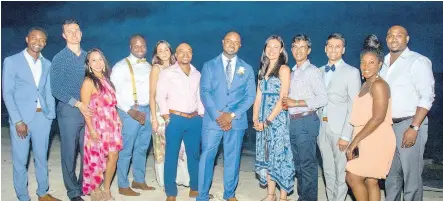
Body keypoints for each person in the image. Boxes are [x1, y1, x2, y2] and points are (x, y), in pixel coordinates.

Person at [3, 27, 61, 201]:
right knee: (21, 161)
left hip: (42, 118)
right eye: (34, 38)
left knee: (41, 158)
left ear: (45, 43)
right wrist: (17, 120)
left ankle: (42, 193)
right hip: (21, 119)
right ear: (27, 39)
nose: (38, 42)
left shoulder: (48, 64)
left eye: (42, 39)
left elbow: (48, 91)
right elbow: (7, 93)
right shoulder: (12, 61)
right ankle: (23, 196)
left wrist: (50, 115)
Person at [198, 31, 256, 201]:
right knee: (207, 157)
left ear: (240, 45)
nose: (232, 44)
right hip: (212, 121)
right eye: (229, 41)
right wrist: (218, 116)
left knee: (233, 158)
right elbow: (205, 92)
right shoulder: (209, 65)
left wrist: (231, 115)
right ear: (223, 42)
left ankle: (229, 194)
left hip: (236, 122)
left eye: (236, 42)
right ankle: (202, 196)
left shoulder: (247, 68)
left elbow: (250, 96)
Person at [381, 25, 435, 201]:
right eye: (390, 35)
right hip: (388, 126)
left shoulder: (417, 61)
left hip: (409, 123)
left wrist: (414, 127)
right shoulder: (383, 63)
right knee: (391, 177)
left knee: (411, 178)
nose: (394, 38)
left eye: (399, 35)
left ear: (407, 39)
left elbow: (427, 97)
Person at [345, 35, 396, 201]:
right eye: (363, 62)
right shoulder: (366, 84)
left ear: (380, 64)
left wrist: (354, 142)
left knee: (352, 176)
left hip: (377, 137)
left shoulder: (379, 85)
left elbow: (378, 118)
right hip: (366, 135)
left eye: (371, 62)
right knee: (370, 181)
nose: (366, 66)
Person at [282, 34, 328, 201]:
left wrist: (296, 102)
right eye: (295, 47)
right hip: (293, 122)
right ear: (291, 50)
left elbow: (323, 98)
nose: (298, 50)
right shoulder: (292, 72)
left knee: (307, 165)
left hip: (306, 120)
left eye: (303, 47)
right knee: (298, 165)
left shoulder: (313, 71)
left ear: (308, 50)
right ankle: (303, 196)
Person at [156, 43, 204, 201]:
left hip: (194, 119)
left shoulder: (197, 73)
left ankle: (195, 187)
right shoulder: (168, 72)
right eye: (181, 52)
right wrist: (165, 116)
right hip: (175, 118)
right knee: (171, 155)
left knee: (194, 155)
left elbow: (199, 96)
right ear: (175, 55)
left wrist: (201, 115)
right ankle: (171, 192)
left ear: (192, 54)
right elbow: (160, 95)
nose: (185, 54)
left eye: (188, 51)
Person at [317, 33, 361, 201]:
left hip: (340, 130)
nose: (333, 49)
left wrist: (346, 135)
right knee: (328, 170)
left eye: (337, 46)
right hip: (322, 129)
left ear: (343, 50)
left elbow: (354, 105)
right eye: (330, 46)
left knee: (341, 171)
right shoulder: (319, 71)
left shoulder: (352, 72)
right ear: (325, 48)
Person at [110, 34, 155, 196]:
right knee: (126, 149)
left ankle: (139, 180)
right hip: (129, 112)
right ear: (130, 47)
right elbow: (114, 93)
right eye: (136, 46)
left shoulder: (149, 66)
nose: (140, 49)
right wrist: (130, 110)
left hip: (147, 110)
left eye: (143, 46)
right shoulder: (120, 66)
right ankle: (122, 184)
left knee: (142, 148)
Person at [253, 35, 295, 201]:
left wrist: (268, 121)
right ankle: (271, 195)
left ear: (281, 50)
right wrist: (256, 119)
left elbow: (282, 99)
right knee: (268, 156)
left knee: (280, 156)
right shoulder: (261, 71)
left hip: (277, 120)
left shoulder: (284, 69)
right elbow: (258, 98)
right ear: (264, 49)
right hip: (262, 121)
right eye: (268, 46)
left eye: (276, 47)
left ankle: (283, 197)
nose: (271, 50)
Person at [50, 19, 88, 201]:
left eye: (76, 30)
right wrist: (77, 103)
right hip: (69, 111)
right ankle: (73, 192)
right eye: (69, 31)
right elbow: (56, 89)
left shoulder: (88, 57)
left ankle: (82, 185)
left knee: (87, 150)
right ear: (64, 35)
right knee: (69, 152)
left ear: (81, 33)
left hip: (88, 111)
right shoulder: (59, 58)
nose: (74, 34)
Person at [80, 48, 122, 201]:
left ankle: (106, 188)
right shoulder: (88, 82)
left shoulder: (107, 79)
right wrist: (91, 130)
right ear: (89, 65)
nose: (97, 63)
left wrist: (118, 119)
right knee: (96, 158)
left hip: (112, 124)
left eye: (100, 59)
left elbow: (112, 104)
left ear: (104, 62)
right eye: (93, 60)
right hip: (97, 124)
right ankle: (95, 189)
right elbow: (85, 109)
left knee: (114, 156)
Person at [149, 40, 190, 188]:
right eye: (160, 50)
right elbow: (152, 95)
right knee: (163, 147)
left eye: (166, 49)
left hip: (177, 112)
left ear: (171, 51)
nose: (164, 52)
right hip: (160, 114)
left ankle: (183, 178)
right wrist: (154, 118)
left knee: (181, 146)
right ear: (156, 54)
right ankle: (166, 180)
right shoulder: (156, 69)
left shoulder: (177, 67)